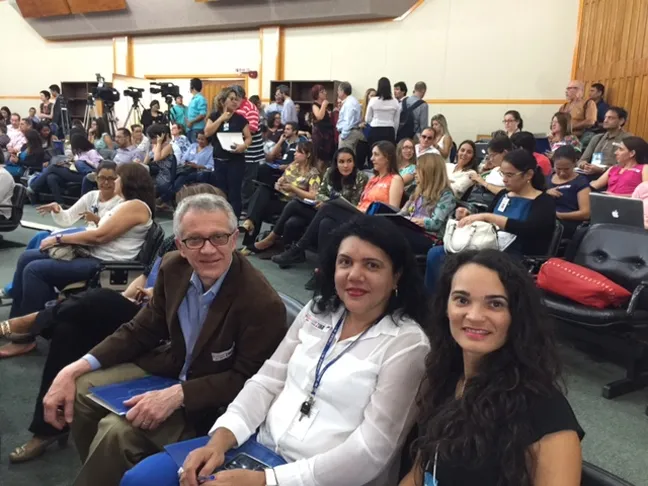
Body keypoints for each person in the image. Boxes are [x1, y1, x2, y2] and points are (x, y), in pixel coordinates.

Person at [121, 215, 431, 486]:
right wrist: (220, 439)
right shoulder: (320, 311)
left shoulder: (407, 344)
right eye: (345, 262)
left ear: (397, 276)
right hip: (259, 450)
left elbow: (371, 451)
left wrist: (267, 481)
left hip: (320, 477)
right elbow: (267, 380)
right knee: (142, 479)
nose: (354, 275)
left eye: (372, 265)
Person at [40, 193, 286, 486]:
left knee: (115, 431)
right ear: (181, 246)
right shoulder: (173, 268)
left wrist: (178, 395)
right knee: (81, 387)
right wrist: (73, 368)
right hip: (172, 368)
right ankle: (103, 473)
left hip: (210, 403)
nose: (208, 250)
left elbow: (247, 379)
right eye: (195, 240)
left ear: (234, 240)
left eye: (218, 237)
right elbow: (140, 330)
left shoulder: (261, 302)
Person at [0, 185, 221, 463]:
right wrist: (135, 291)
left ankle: (28, 324)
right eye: (184, 209)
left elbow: (187, 301)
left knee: (98, 300)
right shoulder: (171, 244)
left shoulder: (207, 254)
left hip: (159, 327)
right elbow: (145, 274)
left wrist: (156, 295)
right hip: (138, 307)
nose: (186, 216)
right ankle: (47, 430)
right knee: (70, 328)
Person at [403, 250, 583, 486]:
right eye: (462, 300)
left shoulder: (546, 414)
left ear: (516, 315)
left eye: (495, 304)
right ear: (445, 307)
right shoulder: (445, 377)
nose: (475, 316)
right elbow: (419, 474)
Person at [0, 161, 123, 358]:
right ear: (96, 178)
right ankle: (15, 323)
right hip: (84, 248)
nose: (106, 183)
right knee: (25, 257)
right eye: (102, 178)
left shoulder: (122, 204)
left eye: (111, 179)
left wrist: (97, 220)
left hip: (96, 253)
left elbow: (106, 235)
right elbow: (68, 218)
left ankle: (25, 337)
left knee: (34, 269)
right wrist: (58, 210)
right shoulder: (91, 196)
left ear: (118, 180)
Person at [8, 163, 154, 318]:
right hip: (95, 254)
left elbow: (99, 236)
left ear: (128, 181)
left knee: (34, 270)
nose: (113, 182)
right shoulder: (127, 204)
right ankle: (17, 318)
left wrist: (58, 239)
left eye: (116, 178)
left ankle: (29, 329)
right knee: (27, 257)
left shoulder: (135, 206)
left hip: (103, 262)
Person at [425, 149, 556, 293]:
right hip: (488, 246)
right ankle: (435, 303)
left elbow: (532, 230)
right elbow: (487, 221)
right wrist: (469, 215)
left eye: (510, 175)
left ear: (529, 175)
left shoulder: (543, 202)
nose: (504, 179)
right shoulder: (504, 195)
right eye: (502, 174)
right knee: (436, 254)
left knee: (466, 265)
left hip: (515, 255)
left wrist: (488, 217)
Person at [272, 141, 404, 267]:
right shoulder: (374, 179)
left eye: (376, 155)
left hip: (373, 222)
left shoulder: (395, 179)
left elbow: (391, 212)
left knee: (329, 206)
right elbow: (360, 202)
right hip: (358, 215)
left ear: (387, 157)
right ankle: (322, 271)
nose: (371, 159)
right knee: (325, 223)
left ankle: (297, 248)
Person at [251, 148, 369, 255]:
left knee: (318, 218)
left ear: (354, 163)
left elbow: (354, 204)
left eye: (349, 161)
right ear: (336, 163)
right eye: (341, 162)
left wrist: (328, 203)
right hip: (320, 211)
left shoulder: (360, 177)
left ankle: (286, 245)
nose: (346, 165)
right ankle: (279, 243)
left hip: (344, 216)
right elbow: (320, 193)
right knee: (293, 213)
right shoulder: (330, 172)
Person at [240, 140, 321, 252]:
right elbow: (281, 179)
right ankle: (249, 229)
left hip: (294, 204)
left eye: (298, 152)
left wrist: (294, 189)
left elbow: (313, 196)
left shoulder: (313, 174)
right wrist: (278, 184)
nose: (294, 153)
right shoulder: (293, 166)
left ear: (308, 155)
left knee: (261, 205)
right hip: (281, 197)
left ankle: (253, 238)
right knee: (262, 191)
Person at [393, 153, 456, 254]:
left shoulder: (446, 195)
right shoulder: (418, 191)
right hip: (412, 231)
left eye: (418, 168)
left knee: (397, 235)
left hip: (430, 239)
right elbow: (403, 212)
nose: (414, 172)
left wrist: (408, 220)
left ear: (429, 171)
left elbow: (434, 224)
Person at [205, 86, 252, 218]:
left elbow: (248, 138)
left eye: (237, 100)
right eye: (232, 99)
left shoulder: (240, 119)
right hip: (219, 161)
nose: (235, 102)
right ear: (222, 101)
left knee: (235, 193)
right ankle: (221, 219)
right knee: (220, 192)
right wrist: (221, 119)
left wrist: (244, 146)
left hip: (236, 161)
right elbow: (207, 132)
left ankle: (234, 221)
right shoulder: (214, 116)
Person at [29, 134, 102, 204]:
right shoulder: (78, 154)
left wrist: (82, 162)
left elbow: (98, 166)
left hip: (86, 175)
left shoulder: (92, 152)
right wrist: (67, 163)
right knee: (51, 177)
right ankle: (60, 202)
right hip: (74, 172)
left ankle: (33, 187)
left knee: (52, 167)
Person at [546, 145, 591, 238]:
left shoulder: (580, 182)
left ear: (574, 164)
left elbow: (586, 213)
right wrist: (545, 194)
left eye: (566, 169)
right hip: (547, 218)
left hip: (566, 223)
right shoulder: (547, 179)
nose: (562, 173)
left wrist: (560, 215)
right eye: (558, 169)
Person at [159, 131, 215, 204]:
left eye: (202, 139)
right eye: (198, 139)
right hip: (186, 168)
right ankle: (166, 199)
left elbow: (211, 166)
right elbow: (184, 157)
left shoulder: (211, 150)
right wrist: (185, 162)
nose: (200, 141)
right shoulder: (193, 146)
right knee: (175, 177)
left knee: (181, 178)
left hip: (198, 171)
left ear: (208, 140)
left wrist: (197, 166)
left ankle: (164, 199)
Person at [578, 107, 632, 176]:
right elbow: (582, 160)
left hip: (614, 176)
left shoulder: (628, 139)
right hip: (591, 173)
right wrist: (584, 165)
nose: (605, 120)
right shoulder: (597, 138)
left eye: (610, 118)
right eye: (605, 117)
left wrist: (602, 170)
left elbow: (627, 165)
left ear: (621, 121)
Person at [466, 136, 512, 209]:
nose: (490, 159)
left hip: (486, 204)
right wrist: (484, 169)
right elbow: (480, 177)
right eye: (489, 156)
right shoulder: (496, 168)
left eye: (492, 155)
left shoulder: (511, 172)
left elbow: (507, 192)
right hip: (475, 198)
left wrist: (483, 183)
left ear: (504, 153)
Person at [365, 77, 401, 146]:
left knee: (374, 153)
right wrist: (394, 133)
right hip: (389, 130)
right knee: (388, 154)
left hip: (375, 130)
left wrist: (374, 122)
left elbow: (367, 119)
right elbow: (396, 122)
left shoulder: (373, 100)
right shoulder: (395, 101)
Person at [311, 84, 336, 170]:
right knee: (320, 160)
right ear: (317, 94)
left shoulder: (326, 106)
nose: (325, 93)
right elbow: (319, 116)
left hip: (328, 135)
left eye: (325, 91)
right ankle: (317, 178)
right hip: (320, 136)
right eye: (322, 92)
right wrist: (324, 105)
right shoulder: (315, 105)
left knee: (327, 160)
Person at [336, 81, 363, 153]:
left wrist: (343, 136)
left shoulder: (349, 103)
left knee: (344, 156)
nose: (337, 92)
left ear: (342, 91)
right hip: (351, 133)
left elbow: (348, 122)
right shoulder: (351, 100)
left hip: (348, 135)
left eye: (338, 90)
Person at [186, 78, 208, 143]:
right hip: (190, 129)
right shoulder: (193, 99)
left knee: (196, 149)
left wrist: (191, 122)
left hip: (197, 129)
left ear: (192, 87)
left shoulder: (200, 99)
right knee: (191, 149)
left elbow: (203, 114)